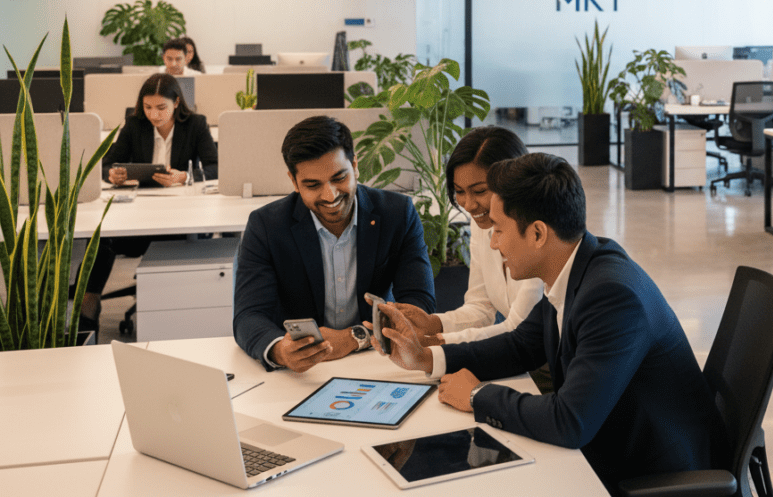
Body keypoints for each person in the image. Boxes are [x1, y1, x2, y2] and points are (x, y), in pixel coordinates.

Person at [370, 153, 728, 493]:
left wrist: (478, 396)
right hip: (611, 442)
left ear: (538, 234)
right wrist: (425, 358)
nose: (493, 243)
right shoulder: (582, 267)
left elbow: (571, 421)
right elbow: (519, 344)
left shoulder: (611, 297)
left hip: (648, 471)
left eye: (498, 229)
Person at [233, 115, 435, 373]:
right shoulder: (266, 226)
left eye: (339, 178)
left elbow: (419, 304)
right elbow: (248, 316)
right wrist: (280, 351)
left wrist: (355, 337)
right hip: (302, 371)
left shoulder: (397, 214)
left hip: (376, 361)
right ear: (294, 182)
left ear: (355, 166)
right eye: (313, 185)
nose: (330, 195)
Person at [83, 73, 219, 332]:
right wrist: (112, 174)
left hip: (183, 217)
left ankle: (173, 307)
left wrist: (185, 177)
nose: (154, 114)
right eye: (147, 107)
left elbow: (217, 165)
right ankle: (89, 302)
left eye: (161, 107)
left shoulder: (196, 124)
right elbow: (107, 163)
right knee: (100, 237)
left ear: (176, 103)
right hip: (140, 214)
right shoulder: (135, 125)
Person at [395, 126, 543, 347]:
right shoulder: (483, 225)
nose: (469, 205)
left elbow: (519, 329)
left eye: (480, 191)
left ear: (516, 182)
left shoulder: (537, 234)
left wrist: (436, 342)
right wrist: (432, 323)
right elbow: (481, 306)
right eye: (460, 191)